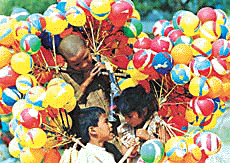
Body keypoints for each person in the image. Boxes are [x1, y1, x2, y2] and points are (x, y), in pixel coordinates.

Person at [115, 85, 168, 162]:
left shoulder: (156, 122)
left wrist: (149, 138)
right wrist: (131, 150)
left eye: (130, 116)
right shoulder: (127, 129)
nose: (126, 120)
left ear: (144, 111)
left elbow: (167, 145)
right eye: (124, 116)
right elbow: (124, 152)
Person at [58, 34, 110, 111]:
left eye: (86, 57)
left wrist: (108, 72)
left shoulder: (100, 60)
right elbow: (69, 106)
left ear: (88, 45)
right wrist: (86, 82)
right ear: (66, 61)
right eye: (77, 64)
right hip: (90, 120)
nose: (84, 65)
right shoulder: (63, 76)